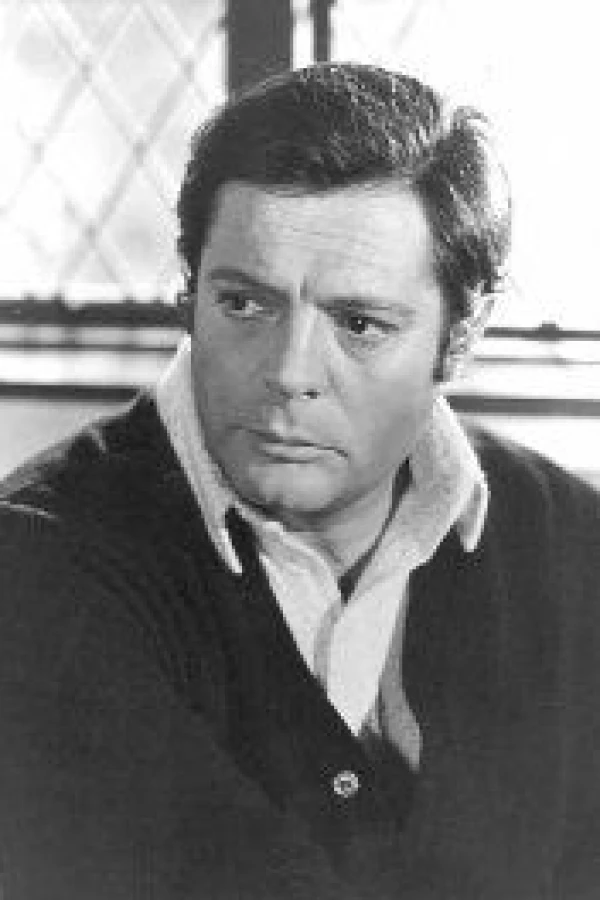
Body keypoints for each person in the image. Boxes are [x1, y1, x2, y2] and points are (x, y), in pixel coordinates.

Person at [0, 63, 599, 900]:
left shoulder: (576, 547)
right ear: (189, 293)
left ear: (461, 336)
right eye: (245, 305)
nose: (288, 373)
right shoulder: (37, 569)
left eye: (359, 324)